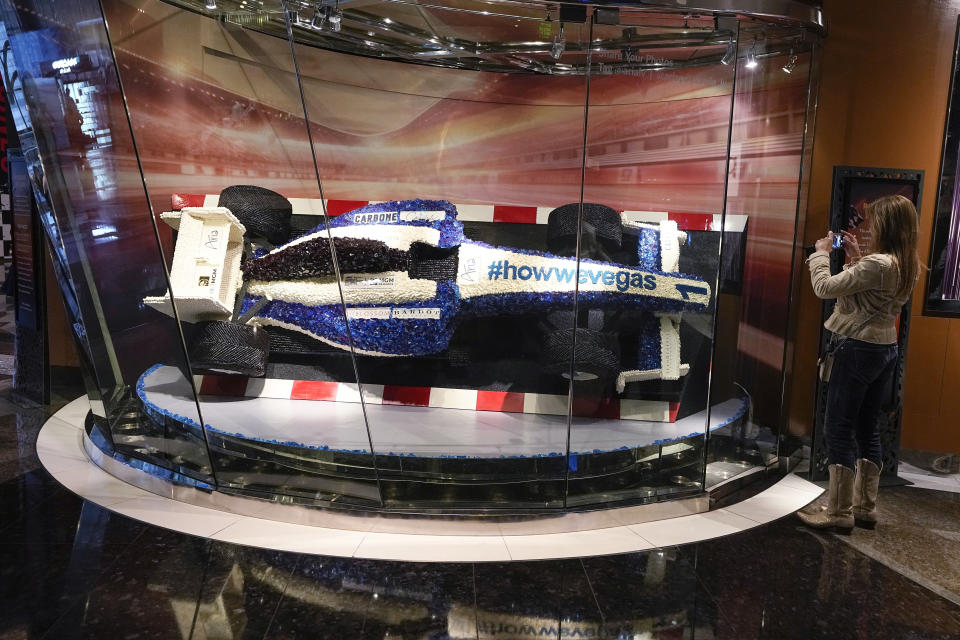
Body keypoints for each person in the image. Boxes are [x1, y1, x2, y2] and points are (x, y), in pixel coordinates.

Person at [798, 194, 921, 533]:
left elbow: (824, 287)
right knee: (868, 427)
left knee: (838, 427)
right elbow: (868, 294)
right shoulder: (906, 263)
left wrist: (821, 253)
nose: (872, 226)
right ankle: (864, 507)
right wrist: (854, 257)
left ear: (888, 226)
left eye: (876, 220)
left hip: (856, 349)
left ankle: (838, 512)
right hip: (884, 349)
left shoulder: (878, 264)